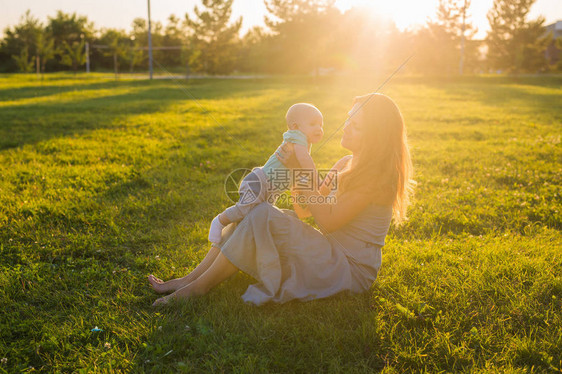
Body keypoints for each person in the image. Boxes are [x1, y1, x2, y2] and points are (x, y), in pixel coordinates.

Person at [148, 93, 414, 307]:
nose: (345, 127)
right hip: (328, 252)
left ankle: (197, 288)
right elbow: (304, 210)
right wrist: (293, 169)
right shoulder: (345, 163)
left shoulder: (375, 178)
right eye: (348, 119)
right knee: (258, 209)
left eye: (355, 126)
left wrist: (300, 169)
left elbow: (329, 222)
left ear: (375, 137)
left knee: (262, 214)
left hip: (349, 268)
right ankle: (190, 278)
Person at [208, 103, 324, 244]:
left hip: (271, 188)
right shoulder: (297, 137)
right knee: (243, 210)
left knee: (256, 218)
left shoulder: (302, 141)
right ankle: (219, 221)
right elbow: (306, 161)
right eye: (313, 124)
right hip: (260, 182)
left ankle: (233, 241)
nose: (319, 128)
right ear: (295, 127)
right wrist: (317, 181)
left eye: (321, 125)